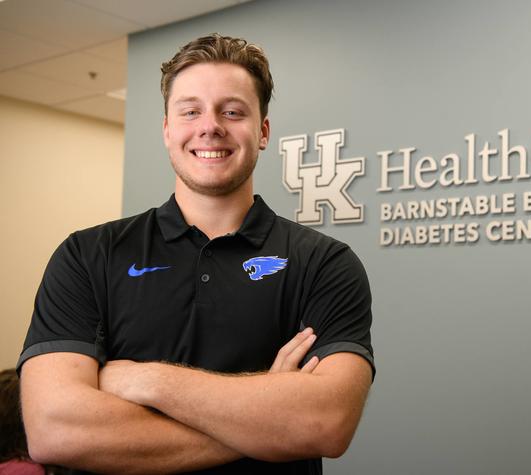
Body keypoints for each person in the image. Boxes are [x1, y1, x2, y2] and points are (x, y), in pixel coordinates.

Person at [17, 34, 374, 474]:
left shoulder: (325, 265)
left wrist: (143, 379)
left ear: (262, 132)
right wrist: (267, 416)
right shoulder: (86, 255)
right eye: (190, 111)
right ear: (168, 130)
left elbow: (324, 422)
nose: (211, 126)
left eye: (232, 111)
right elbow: (55, 431)